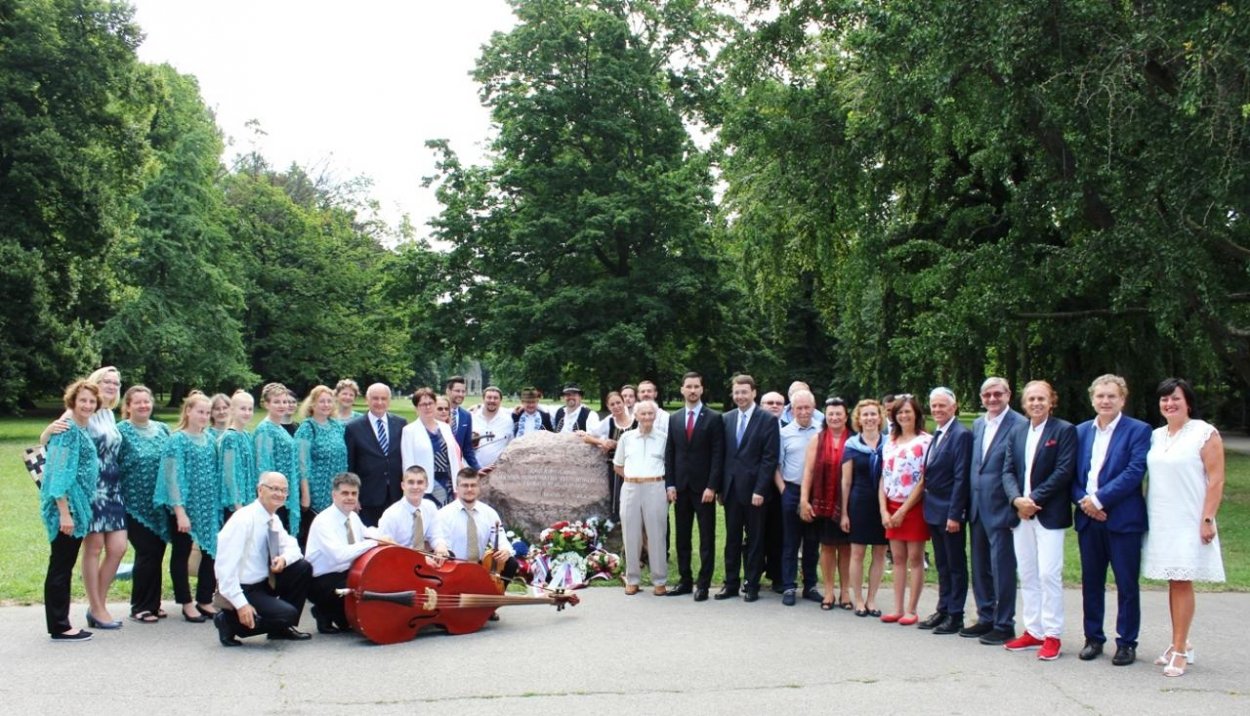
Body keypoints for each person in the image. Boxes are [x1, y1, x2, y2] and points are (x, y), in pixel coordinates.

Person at [1142, 378, 1226, 678]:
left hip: (1189, 519)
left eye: (1175, 398)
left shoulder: (1204, 433)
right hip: (1162, 519)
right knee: (1172, 580)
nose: (1169, 404)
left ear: (1187, 401)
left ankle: (1180, 650)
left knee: (1182, 581)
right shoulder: (1155, 436)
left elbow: (1216, 480)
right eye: (1164, 399)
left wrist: (1207, 519)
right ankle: (1180, 641)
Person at [40, 366, 128, 630]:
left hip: (112, 488)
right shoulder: (80, 411)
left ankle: (97, 604)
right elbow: (51, 441)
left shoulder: (109, 414)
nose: (111, 386)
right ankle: (98, 609)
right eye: (106, 381)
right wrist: (45, 433)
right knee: (94, 548)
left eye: (115, 382)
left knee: (118, 548)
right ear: (94, 383)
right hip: (88, 489)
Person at [1073, 375, 1151, 666]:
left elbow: (1134, 472)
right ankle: (1093, 638)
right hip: (1088, 519)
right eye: (1100, 396)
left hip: (1123, 520)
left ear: (1122, 399)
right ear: (1092, 398)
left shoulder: (1139, 430)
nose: (1105, 401)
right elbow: (1071, 473)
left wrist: (1100, 499)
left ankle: (1126, 642)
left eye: (1111, 396)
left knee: (1126, 584)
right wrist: (1085, 501)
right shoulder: (1081, 431)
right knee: (1091, 582)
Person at [1001, 380, 1076, 661]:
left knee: (1048, 574)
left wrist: (1034, 500)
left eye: (1041, 399)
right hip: (1021, 514)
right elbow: (1007, 470)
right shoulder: (1017, 431)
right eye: (1031, 399)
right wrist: (1016, 500)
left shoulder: (1064, 430)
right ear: (1024, 403)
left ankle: (1053, 635)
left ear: (1051, 401)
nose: (1036, 403)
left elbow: (1064, 470)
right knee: (1028, 573)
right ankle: (1034, 630)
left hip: (1049, 514)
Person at [212, 472, 313, 647]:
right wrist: (241, 604)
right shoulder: (243, 519)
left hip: (266, 581)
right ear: (260, 490)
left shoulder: (273, 519)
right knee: (287, 614)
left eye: (284, 490)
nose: (280, 494)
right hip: (244, 588)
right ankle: (229, 622)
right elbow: (224, 569)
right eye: (274, 489)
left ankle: (280, 629)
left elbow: (293, 548)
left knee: (302, 567)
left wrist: (283, 559)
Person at [962, 377, 1026, 645]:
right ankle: (985, 616)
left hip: (1002, 507)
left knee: (1002, 568)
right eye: (987, 394)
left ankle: (1004, 623)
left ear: (1008, 394)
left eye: (997, 394)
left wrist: (1015, 504)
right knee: (980, 568)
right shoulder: (978, 423)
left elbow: (1020, 469)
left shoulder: (1020, 425)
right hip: (977, 507)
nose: (992, 399)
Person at [40, 379, 103, 641]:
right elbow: (58, 475)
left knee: (62, 564)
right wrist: (65, 513)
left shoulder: (81, 428)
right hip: (67, 510)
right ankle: (60, 626)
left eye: (91, 401)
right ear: (72, 403)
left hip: (77, 507)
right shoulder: (68, 431)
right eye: (83, 401)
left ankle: (60, 622)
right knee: (61, 566)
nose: (87, 405)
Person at [154, 392, 222, 623]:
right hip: (183, 507)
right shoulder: (176, 440)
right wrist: (180, 511)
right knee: (182, 553)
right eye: (199, 411)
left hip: (208, 507)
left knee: (210, 553)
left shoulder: (210, 439)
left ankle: (205, 598)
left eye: (207, 412)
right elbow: (172, 477)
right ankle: (186, 602)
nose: (204, 416)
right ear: (188, 412)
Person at [715, 374, 780, 602]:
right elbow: (722, 456)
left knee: (755, 540)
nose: (740, 396)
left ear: (754, 393)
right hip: (731, 490)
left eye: (745, 392)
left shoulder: (768, 420)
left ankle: (752, 584)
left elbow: (769, 459)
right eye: (737, 392)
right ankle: (730, 583)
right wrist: (720, 489)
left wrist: (761, 490)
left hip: (755, 492)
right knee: (731, 539)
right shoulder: (726, 419)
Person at [664, 371, 724, 601]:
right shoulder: (675, 418)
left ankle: (703, 584)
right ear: (682, 390)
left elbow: (718, 455)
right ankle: (685, 580)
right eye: (688, 386)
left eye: (696, 386)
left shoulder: (713, 418)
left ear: (702, 389)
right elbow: (670, 452)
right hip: (680, 488)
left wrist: (712, 486)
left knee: (706, 538)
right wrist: (670, 484)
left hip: (704, 489)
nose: (692, 390)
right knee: (682, 538)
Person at [919, 387, 973, 635]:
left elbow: (961, 477)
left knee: (955, 564)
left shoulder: (960, 434)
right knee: (941, 563)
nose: (937, 409)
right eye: (934, 405)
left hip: (949, 512)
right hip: (934, 509)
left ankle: (955, 614)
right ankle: (943, 607)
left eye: (943, 405)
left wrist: (955, 514)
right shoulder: (938, 433)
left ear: (954, 407)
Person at [117, 385, 172, 623]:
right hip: (133, 504)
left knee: (157, 553)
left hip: (159, 503)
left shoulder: (163, 429)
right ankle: (140, 606)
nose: (143, 406)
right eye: (137, 402)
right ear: (128, 406)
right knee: (146, 551)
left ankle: (154, 603)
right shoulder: (121, 431)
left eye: (146, 401)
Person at [877, 394, 931, 625]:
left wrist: (902, 511)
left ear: (917, 414)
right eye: (899, 412)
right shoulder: (889, 441)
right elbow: (883, 476)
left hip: (913, 506)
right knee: (898, 558)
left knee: (915, 558)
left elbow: (924, 480)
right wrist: (884, 511)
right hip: (891, 504)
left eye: (908, 411)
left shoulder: (925, 441)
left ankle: (912, 609)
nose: (903, 415)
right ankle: (897, 607)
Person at [305, 472, 379, 634]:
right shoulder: (323, 521)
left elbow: (367, 532)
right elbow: (339, 555)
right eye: (345, 493)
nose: (350, 498)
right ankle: (323, 609)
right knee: (365, 593)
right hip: (322, 581)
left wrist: (383, 537)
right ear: (334, 495)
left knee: (348, 623)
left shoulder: (353, 517)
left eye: (354, 493)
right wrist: (372, 543)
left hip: (345, 574)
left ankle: (335, 613)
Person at [613, 400, 669, 595]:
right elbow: (618, 465)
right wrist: (633, 477)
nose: (646, 417)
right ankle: (633, 579)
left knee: (657, 534)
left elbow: (669, 465)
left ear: (655, 416)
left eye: (650, 414)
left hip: (655, 486)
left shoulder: (663, 438)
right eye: (642, 414)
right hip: (631, 487)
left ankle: (659, 580)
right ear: (635, 416)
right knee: (631, 534)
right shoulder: (626, 438)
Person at [840, 399, 887, 617]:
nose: (869, 418)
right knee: (857, 552)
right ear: (859, 419)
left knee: (879, 552)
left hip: (883, 505)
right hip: (858, 502)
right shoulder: (851, 445)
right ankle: (857, 598)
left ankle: (872, 599)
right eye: (865, 415)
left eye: (873, 414)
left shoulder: (890, 444)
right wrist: (844, 512)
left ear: (880, 417)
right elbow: (846, 481)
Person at [776, 390, 822, 606]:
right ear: (792, 410)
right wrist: (784, 490)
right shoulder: (784, 434)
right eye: (799, 408)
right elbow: (776, 466)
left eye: (807, 407)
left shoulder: (823, 432)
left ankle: (810, 584)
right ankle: (788, 586)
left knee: (812, 542)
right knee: (790, 541)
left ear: (813, 408)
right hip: (792, 490)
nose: (803, 412)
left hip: (816, 493)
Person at [432, 468, 518, 582]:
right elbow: (441, 545)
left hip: (480, 567)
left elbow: (502, 540)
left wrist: (505, 550)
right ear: (456, 488)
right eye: (465, 485)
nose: (469, 489)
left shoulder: (490, 513)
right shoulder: (443, 514)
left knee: (511, 563)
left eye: (473, 485)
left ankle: (496, 595)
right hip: (453, 568)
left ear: (479, 488)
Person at [344, 383, 408, 526]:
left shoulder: (401, 424)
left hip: (395, 495)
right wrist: (354, 495)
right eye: (375, 398)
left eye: (383, 399)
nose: (379, 402)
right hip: (368, 497)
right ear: (367, 400)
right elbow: (350, 465)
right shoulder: (353, 428)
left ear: (389, 401)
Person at [294, 385, 349, 545]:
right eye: (321, 401)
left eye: (329, 401)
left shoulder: (337, 427)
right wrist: (306, 495)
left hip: (337, 491)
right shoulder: (307, 428)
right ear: (312, 405)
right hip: (316, 493)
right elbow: (301, 464)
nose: (326, 405)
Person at [401, 387, 465, 507]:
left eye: (430, 403)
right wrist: (410, 489)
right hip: (425, 485)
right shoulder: (409, 431)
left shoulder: (445, 428)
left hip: (448, 483)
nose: (428, 407)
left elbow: (453, 458)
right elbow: (408, 463)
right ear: (416, 408)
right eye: (423, 404)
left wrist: (457, 484)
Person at [581, 390, 637, 521]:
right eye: (612, 404)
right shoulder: (609, 422)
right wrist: (603, 441)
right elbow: (587, 437)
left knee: (634, 501)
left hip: (635, 469)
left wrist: (618, 444)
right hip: (616, 470)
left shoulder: (635, 422)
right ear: (608, 406)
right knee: (617, 501)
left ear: (624, 403)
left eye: (618, 402)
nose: (616, 406)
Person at [255, 382, 301, 534]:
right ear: (266, 404)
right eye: (276, 402)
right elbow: (263, 465)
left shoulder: (279, 427)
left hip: (285, 492)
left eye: (285, 401)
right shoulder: (265, 429)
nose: (282, 405)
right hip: (273, 495)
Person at [758, 390, 787, 592]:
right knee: (755, 535)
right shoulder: (753, 427)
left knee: (779, 534)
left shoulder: (789, 428)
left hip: (782, 490)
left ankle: (777, 576)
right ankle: (753, 576)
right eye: (769, 402)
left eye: (778, 403)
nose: (774, 406)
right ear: (761, 405)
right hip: (757, 489)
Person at [377, 466, 440, 550]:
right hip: (398, 559)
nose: (415, 487)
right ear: (403, 485)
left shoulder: (430, 507)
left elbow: (436, 535)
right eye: (411, 482)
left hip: (425, 558)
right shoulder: (391, 514)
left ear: (426, 486)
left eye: (420, 482)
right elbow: (383, 549)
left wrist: (440, 546)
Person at [217, 390, 256, 514]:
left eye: (250, 409)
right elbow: (229, 474)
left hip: (248, 498)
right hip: (235, 504)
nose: (247, 412)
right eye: (243, 409)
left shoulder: (245, 435)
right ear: (232, 410)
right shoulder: (230, 437)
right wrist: (238, 505)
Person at [471, 386, 512, 472]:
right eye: (489, 397)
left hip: (498, 471)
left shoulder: (508, 420)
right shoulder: (472, 417)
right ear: (483, 399)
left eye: (495, 398)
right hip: (474, 470)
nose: (492, 400)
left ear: (500, 401)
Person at [445, 375, 481, 470]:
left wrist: (478, 469)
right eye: (457, 391)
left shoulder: (466, 416)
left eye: (463, 391)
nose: (461, 394)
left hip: (456, 469)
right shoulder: (436, 412)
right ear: (448, 391)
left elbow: (467, 449)